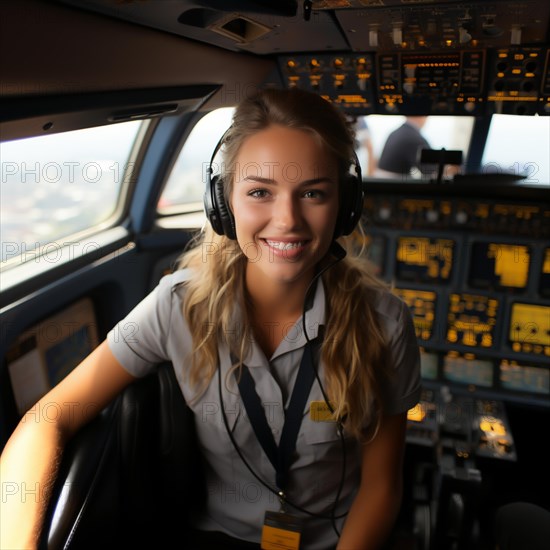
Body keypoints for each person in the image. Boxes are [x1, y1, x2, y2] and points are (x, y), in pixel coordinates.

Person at [0, 88, 421, 550]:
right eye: (260, 191)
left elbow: (382, 486)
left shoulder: (385, 324)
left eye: (314, 193)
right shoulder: (178, 306)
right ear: (223, 203)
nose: (287, 220)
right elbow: (48, 418)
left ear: (345, 205)